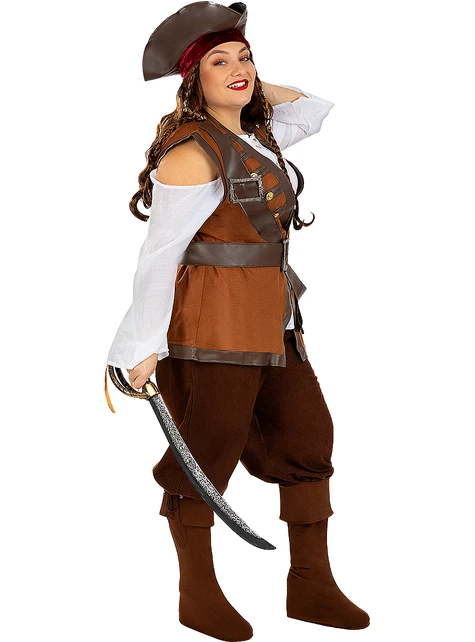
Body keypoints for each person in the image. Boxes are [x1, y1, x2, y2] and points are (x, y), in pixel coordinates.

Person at [105, 2, 370, 640]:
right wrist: (141, 344)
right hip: (211, 329)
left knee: (308, 437)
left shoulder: (258, 137)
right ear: (190, 79)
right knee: (208, 449)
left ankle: (311, 584)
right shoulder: (190, 155)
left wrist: (244, 83)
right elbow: (158, 259)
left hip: (275, 321)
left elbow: (316, 110)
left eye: (244, 57)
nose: (238, 69)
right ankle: (195, 592)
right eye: (218, 62)